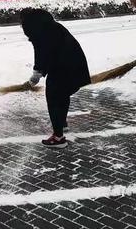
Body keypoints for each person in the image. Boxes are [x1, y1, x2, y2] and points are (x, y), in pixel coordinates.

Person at [20, 8, 90, 148]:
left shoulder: (39, 32)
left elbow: (41, 54)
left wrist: (36, 74)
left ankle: (58, 138)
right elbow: (50, 52)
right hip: (74, 64)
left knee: (54, 98)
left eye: (22, 22)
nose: (21, 26)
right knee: (62, 96)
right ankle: (61, 124)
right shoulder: (51, 26)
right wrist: (40, 71)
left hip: (63, 68)